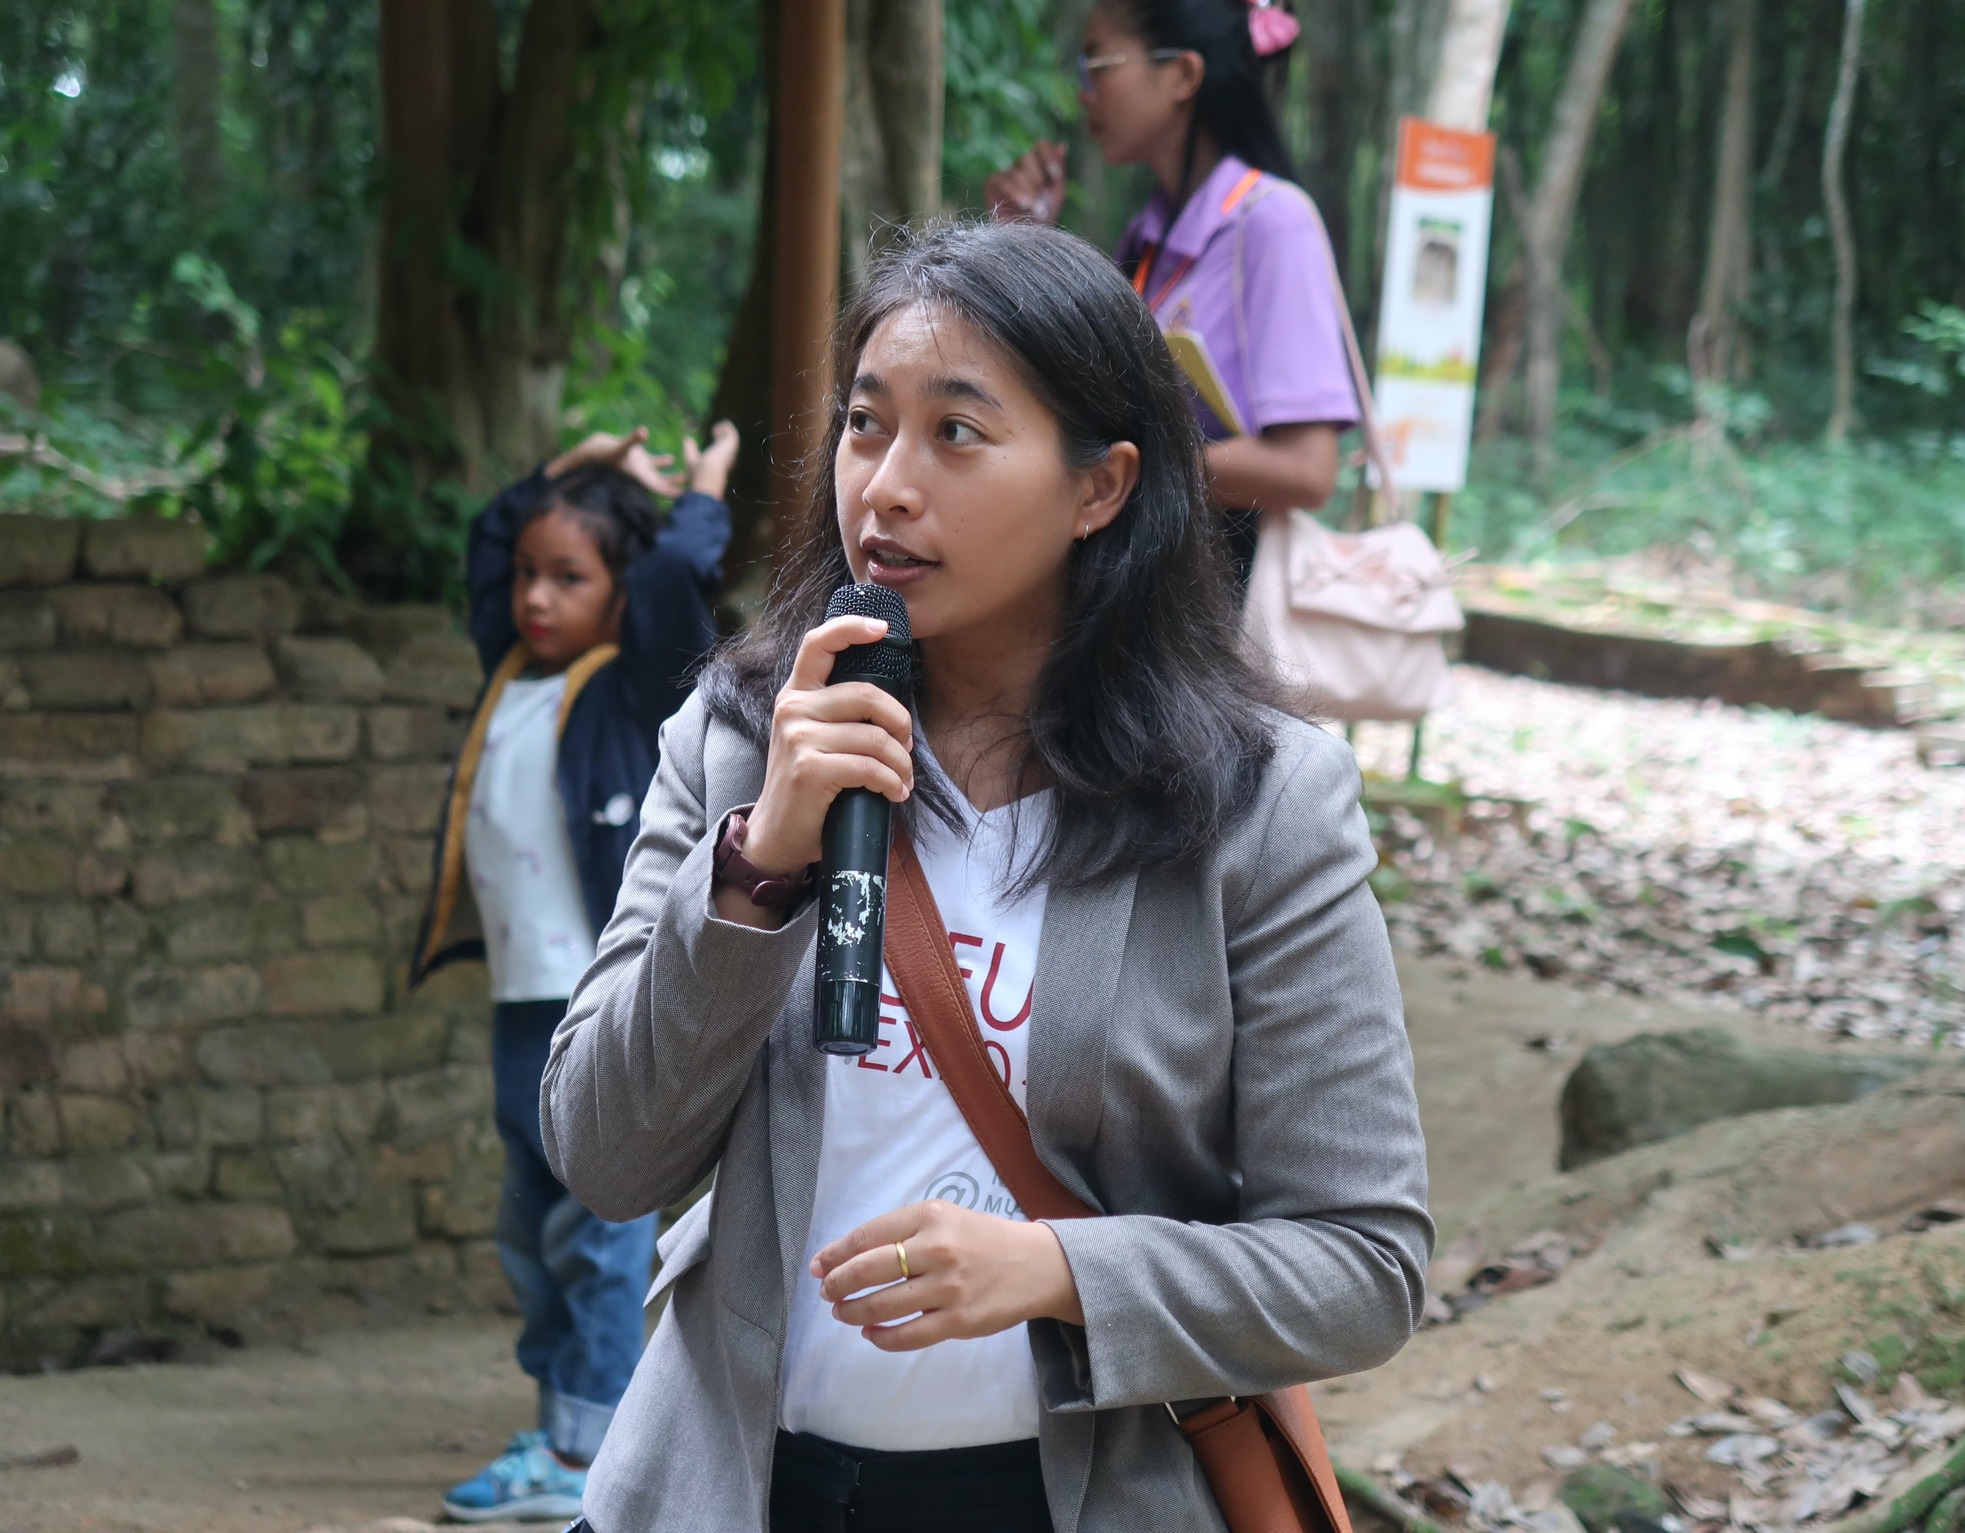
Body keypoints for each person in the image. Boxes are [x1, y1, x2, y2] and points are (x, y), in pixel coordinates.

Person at [540, 220, 1430, 1533]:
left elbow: (1363, 1266)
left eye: (956, 433)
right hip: (731, 1488)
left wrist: (1061, 1270)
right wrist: (757, 869)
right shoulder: (740, 738)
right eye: (865, 425)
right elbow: (604, 1157)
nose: (886, 488)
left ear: (1099, 487)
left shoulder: (1256, 803)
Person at [409, 420, 739, 1524]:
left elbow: (677, 572)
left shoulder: (631, 689)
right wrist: (571, 471)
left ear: (618, 594)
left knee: (599, 1231)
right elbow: (485, 539)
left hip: (598, 1002)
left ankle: (585, 1446)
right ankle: (564, 1421)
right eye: (528, 576)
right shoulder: (508, 670)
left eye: (569, 578)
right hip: (519, 1000)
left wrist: (701, 488)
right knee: (529, 1228)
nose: (535, 597)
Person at [985, 0, 1395, 596]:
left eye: (1097, 64)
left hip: (1228, 604)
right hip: (1154, 593)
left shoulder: (1273, 223)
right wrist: (1026, 243)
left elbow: (1306, 470)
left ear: (1182, 74)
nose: (1084, 92)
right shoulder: (1146, 235)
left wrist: (1127, 471)